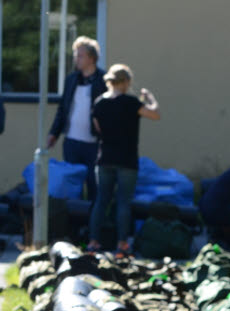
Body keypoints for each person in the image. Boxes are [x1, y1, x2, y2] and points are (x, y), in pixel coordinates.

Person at [85, 64, 161, 256]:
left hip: (104, 158)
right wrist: (150, 98)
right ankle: (122, 245)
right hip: (127, 159)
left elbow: (96, 129)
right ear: (126, 82)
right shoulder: (131, 102)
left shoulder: (99, 102)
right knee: (123, 202)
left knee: (101, 200)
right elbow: (155, 114)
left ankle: (93, 242)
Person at [48, 36, 108, 200]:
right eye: (75, 55)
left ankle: (91, 223)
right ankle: (74, 223)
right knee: (73, 187)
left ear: (92, 58)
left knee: (93, 185)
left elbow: (108, 113)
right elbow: (63, 108)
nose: (76, 58)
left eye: (80, 55)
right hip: (72, 142)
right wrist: (54, 132)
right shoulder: (71, 79)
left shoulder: (103, 81)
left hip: (93, 143)